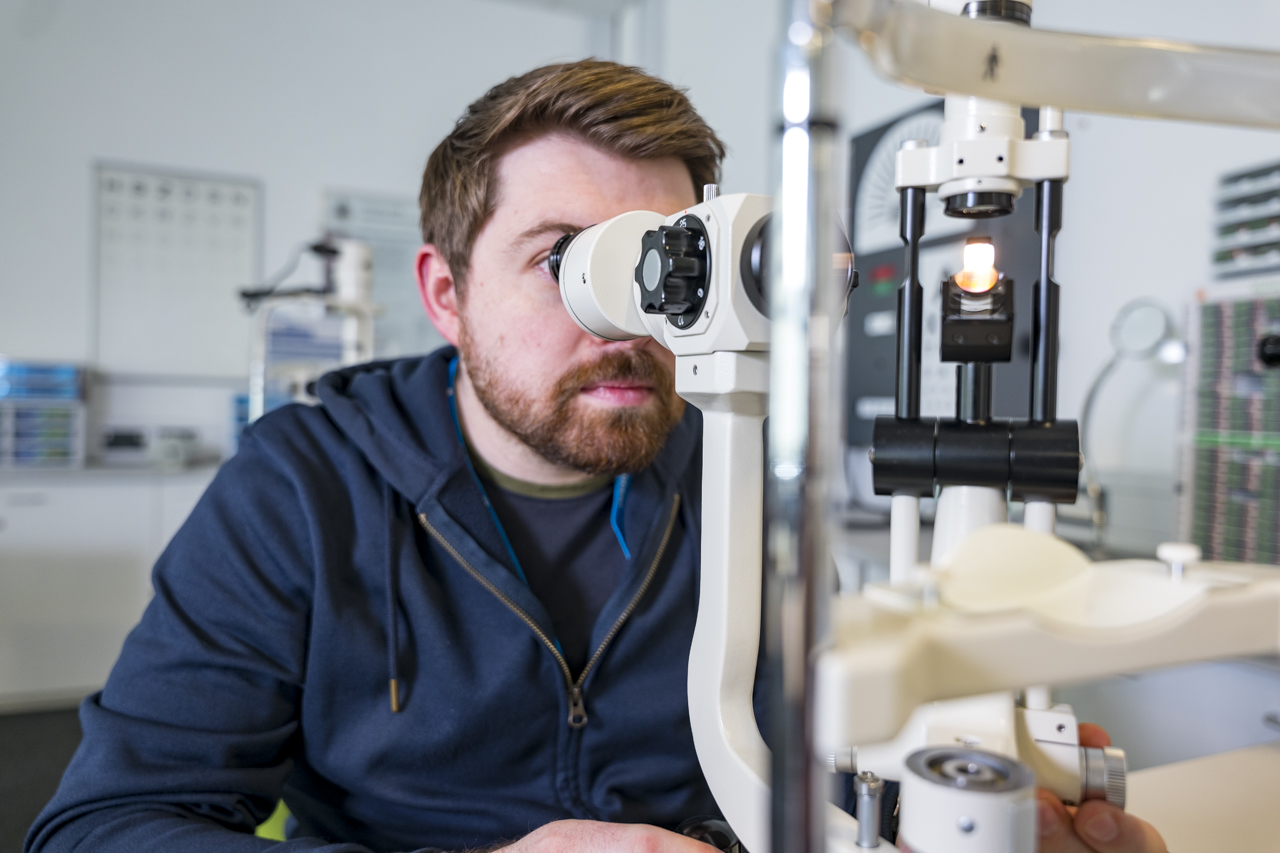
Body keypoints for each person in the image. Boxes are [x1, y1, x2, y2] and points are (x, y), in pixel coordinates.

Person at [26, 60, 1166, 853]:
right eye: (567, 264)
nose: (629, 321)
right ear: (444, 294)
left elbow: (807, 755)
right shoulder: (302, 485)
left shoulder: (734, 466)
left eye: (664, 263)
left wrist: (944, 792)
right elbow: (101, 828)